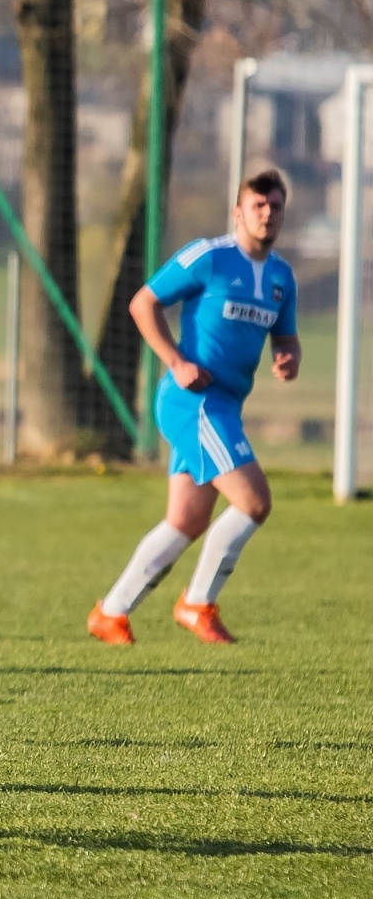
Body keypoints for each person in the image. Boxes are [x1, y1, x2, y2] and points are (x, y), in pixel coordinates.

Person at [88, 169, 300, 645]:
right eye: (258, 205)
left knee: (186, 519)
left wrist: (289, 357)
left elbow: (286, 337)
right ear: (238, 212)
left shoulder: (282, 277)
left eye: (276, 206)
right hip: (193, 402)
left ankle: (111, 612)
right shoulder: (209, 257)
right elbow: (143, 302)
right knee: (254, 501)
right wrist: (176, 361)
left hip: (225, 407)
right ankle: (197, 603)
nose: (267, 214)